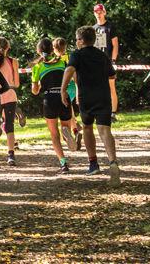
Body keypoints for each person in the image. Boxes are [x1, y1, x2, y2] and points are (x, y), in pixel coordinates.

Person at [61, 26, 121, 186]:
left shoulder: (77, 55)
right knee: (105, 130)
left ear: (81, 40)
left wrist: (63, 90)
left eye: (77, 39)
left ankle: (93, 164)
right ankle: (113, 162)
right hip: (103, 96)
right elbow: (112, 75)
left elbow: (69, 70)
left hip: (86, 97)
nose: (76, 42)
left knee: (87, 127)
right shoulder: (102, 55)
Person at [30, 38, 73, 173]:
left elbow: (35, 91)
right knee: (65, 126)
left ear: (39, 51)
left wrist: (41, 83)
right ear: (52, 49)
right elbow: (70, 79)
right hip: (64, 96)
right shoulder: (62, 62)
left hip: (49, 99)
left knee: (54, 135)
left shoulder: (37, 67)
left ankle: (63, 163)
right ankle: (67, 132)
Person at [0, 38, 21, 166]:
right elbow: (16, 84)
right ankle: (11, 155)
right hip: (10, 95)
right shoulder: (13, 62)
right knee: (9, 125)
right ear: (8, 48)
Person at [93, 4, 120, 122]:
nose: (98, 14)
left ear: (104, 12)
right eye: (96, 12)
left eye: (100, 12)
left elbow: (115, 45)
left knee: (111, 87)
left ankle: (113, 113)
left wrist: (113, 61)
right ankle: (100, 112)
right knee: (97, 89)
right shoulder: (93, 29)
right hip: (96, 63)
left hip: (108, 62)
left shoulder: (110, 27)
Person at [53, 37, 81, 152]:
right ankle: (76, 130)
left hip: (62, 88)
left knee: (67, 113)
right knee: (70, 111)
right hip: (72, 87)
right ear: (65, 47)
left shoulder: (55, 60)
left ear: (54, 48)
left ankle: (74, 131)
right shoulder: (70, 57)